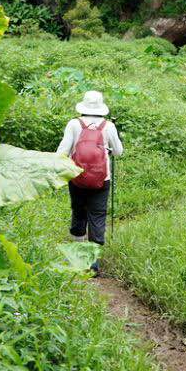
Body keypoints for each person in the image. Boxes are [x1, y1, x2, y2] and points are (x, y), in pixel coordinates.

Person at [57, 90, 123, 273]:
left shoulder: (73, 124)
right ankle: (93, 264)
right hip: (102, 180)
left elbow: (62, 151)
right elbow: (118, 152)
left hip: (76, 177)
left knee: (79, 212)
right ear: (101, 107)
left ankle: (78, 258)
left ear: (83, 105)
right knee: (97, 215)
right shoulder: (108, 126)